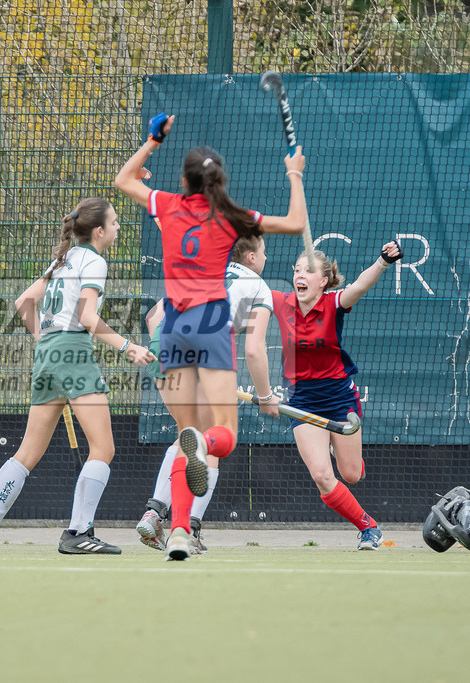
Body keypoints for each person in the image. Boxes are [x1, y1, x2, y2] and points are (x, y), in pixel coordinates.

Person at [114, 112, 308, 560]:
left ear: (184, 179)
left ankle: (179, 532)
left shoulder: (166, 204)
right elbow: (296, 223)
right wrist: (294, 175)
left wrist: (152, 141)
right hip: (211, 327)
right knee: (220, 436)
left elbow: (123, 179)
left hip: (174, 328)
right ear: (221, 179)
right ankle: (197, 460)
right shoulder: (233, 218)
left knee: (186, 434)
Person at [0, 197, 155, 556]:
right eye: (114, 222)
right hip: (73, 352)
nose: (118, 227)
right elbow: (86, 317)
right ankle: (78, 533)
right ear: (98, 231)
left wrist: (44, 338)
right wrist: (127, 346)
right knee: (103, 448)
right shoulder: (95, 261)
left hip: (48, 354)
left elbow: (24, 302)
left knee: (27, 452)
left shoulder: (61, 260)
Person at [136, 235, 280, 554]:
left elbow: (153, 317)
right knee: (215, 436)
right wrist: (266, 395)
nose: (267, 259)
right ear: (252, 257)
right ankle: (190, 529)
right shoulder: (259, 286)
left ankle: (154, 511)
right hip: (213, 338)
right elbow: (255, 352)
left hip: (166, 339)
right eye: (265, 253)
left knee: (188, 433)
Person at [269, 240, 402, 550]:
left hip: (339, 399)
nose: (300, 275)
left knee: (351, 475)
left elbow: (359, 286)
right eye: (297, 270)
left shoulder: (333, 303)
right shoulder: (280, 301)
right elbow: (238, 290)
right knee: (321, 475)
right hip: (302, 402)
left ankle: (340, 450)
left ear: (323, 280)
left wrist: (382, 261)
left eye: (308, 271)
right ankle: (368, 527)